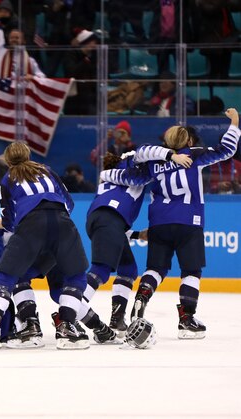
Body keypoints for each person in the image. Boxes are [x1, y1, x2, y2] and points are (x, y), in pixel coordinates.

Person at [100, 108, 240, 339]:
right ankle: (186, 319)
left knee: (155, 269)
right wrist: (234, 122)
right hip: (189, 221)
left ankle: (141, 299)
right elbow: (228, 150)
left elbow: (130, 177)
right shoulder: (194, 155)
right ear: (187, 140)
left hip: (159, 223)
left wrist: (106, 176)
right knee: (191, 271)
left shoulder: (154, 163)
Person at [0, 142, 90, 351]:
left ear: (7, 160)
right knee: (76, 277)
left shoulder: (6, 181)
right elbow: (70, 204)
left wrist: (4, 222)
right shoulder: (47, 171)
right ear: (28, 154)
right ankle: (67, 327)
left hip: (31, 227)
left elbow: (10, 220)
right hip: (62, 223)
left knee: (5, 277)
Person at [82, 146, 192, 338]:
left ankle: (117, 320)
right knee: (101, 269)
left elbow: (114, 227)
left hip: (107, 221)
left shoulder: (115, 176)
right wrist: (172, 156)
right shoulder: (131, 165)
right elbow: (146, 151)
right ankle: (73, 307)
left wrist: (136, 235)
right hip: (109, 220)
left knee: (128, 269)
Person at [0, 4, 45, 80]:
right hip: (1, 90)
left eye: (17, 38)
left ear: (24, 41)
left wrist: (32, 77)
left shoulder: (30, 60)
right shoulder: (1, 52)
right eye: (11, 38)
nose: (14, 40)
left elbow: (42, 77)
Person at [63, 29, 98, 115]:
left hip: (89, 97)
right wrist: (84, 62)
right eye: (93, 42)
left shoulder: (93, 57)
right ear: (86, 42)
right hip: (74, 98)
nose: (95, 45)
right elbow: (71, 73)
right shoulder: (70, 55)